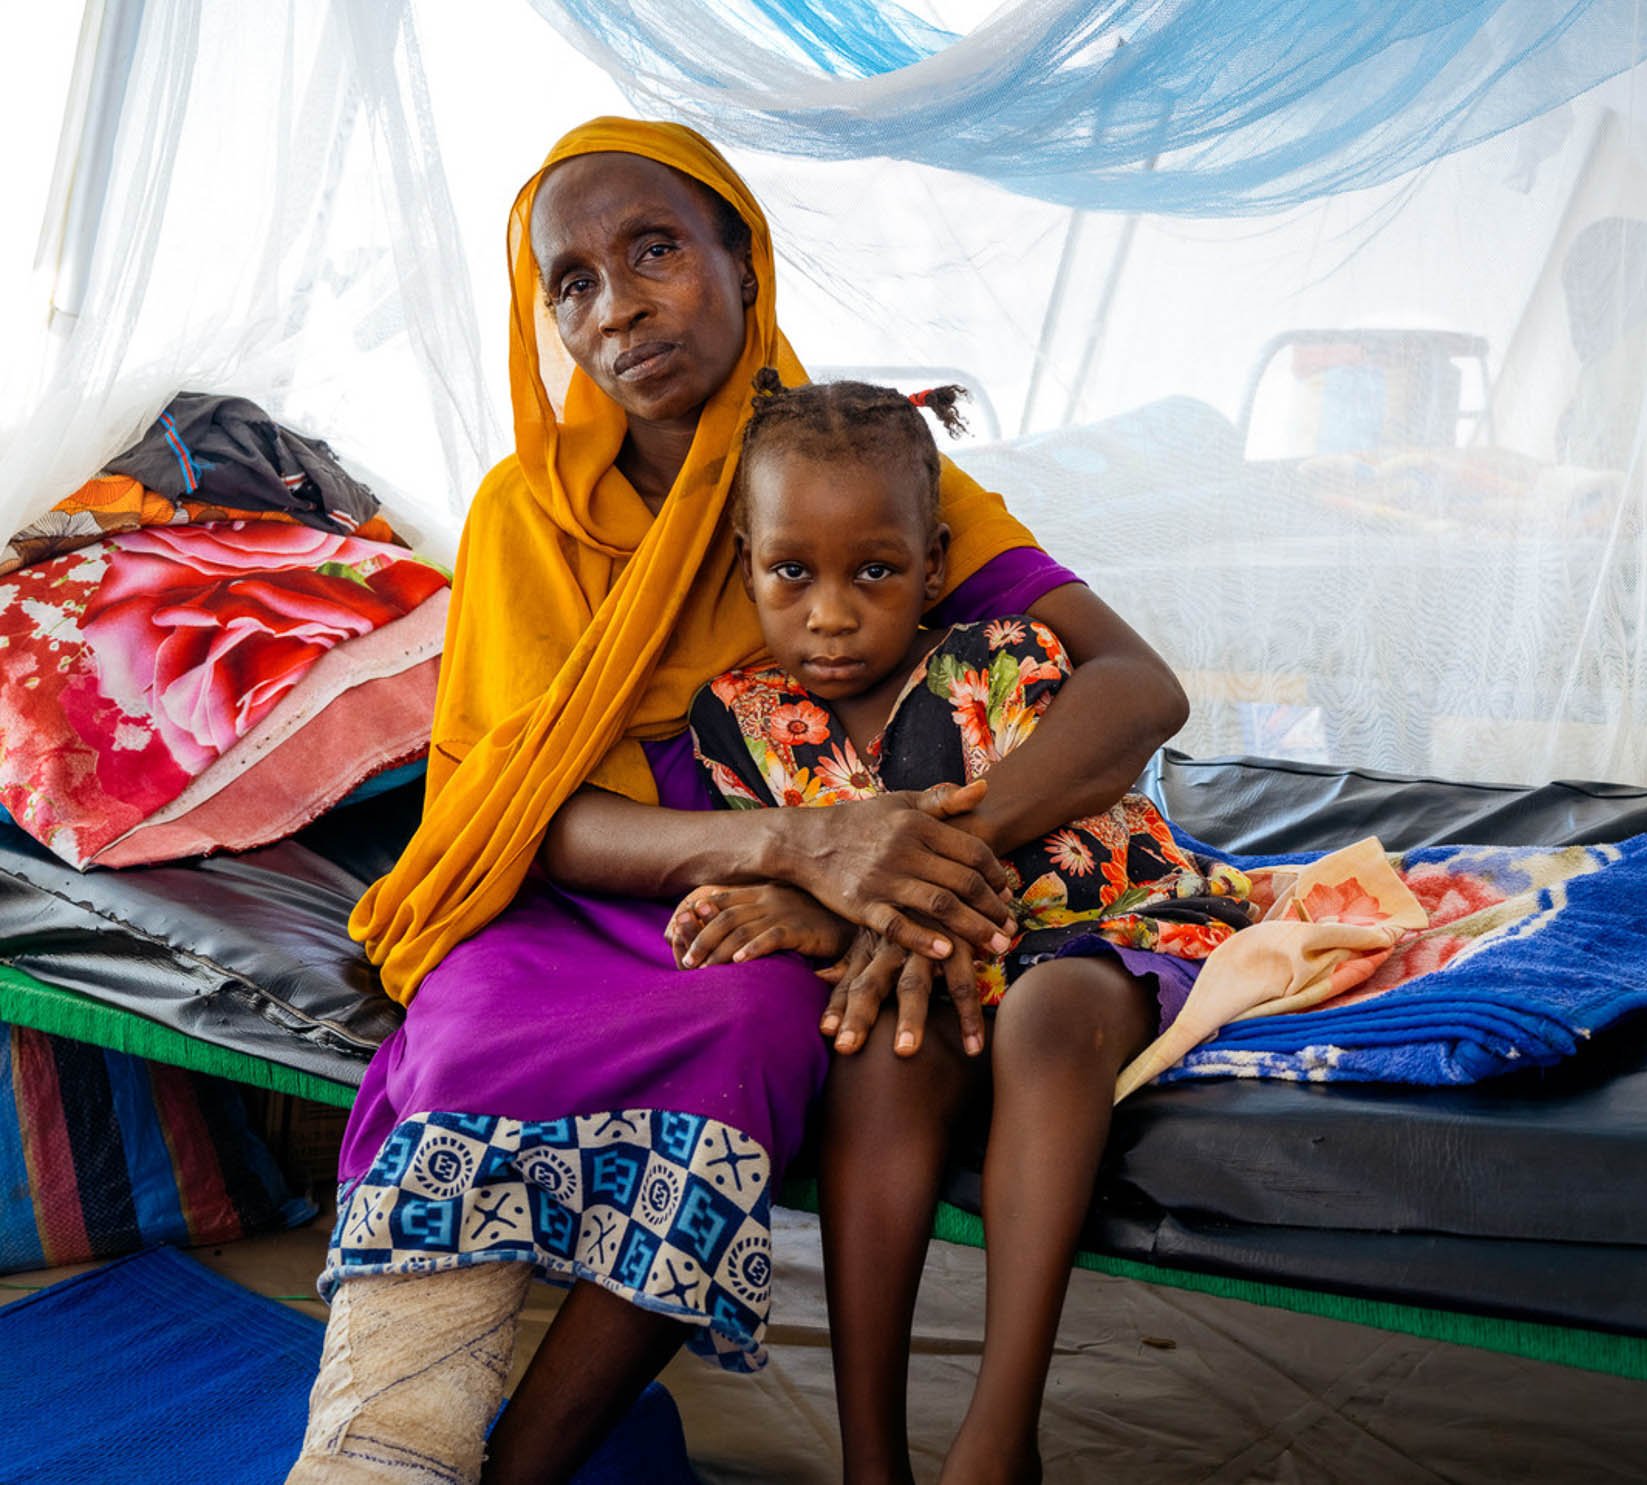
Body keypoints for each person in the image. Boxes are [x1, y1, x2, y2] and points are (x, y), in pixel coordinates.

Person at [287, 119, 1189, 1485]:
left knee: (756, 1034)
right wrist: (808, 841)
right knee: (470, 1042)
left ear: (744, 264)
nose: (620, 305)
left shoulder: (856, 473)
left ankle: (522, 1466)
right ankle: (389, 1449)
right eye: (572, 281)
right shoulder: (528, 519)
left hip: (761, 910)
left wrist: (919, 850)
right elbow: (537, 817)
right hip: (596, 884)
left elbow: (1132, 681)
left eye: (655, 250)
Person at [668, 373, 1255, 1485]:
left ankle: (995, 1440)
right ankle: (871, 1461)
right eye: (792, 572)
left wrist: (837, 905)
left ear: (933, 564)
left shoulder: (1003, 662)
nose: (831, 614)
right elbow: (794, 864)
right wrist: (807, 903)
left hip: (1091, 924)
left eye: (874, 572)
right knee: (876, 1053)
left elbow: (1046, 854)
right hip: (940, 972)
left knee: (1052, 1008)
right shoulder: (739, 723)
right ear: (743, 561)